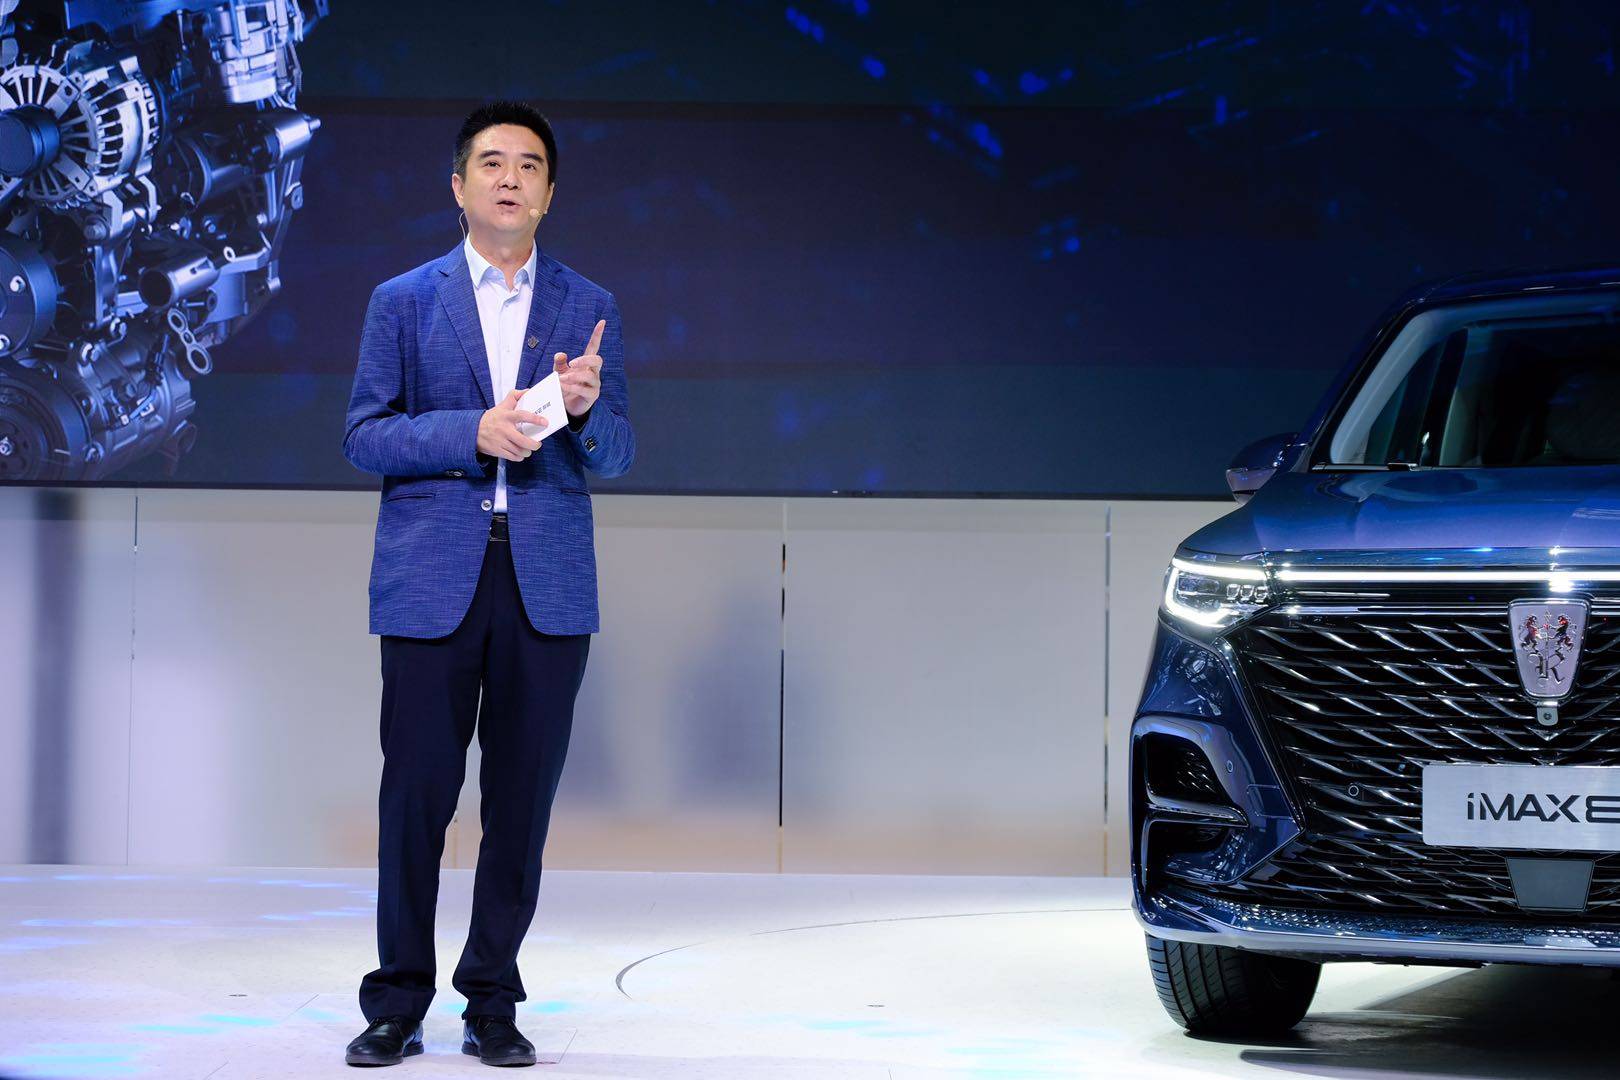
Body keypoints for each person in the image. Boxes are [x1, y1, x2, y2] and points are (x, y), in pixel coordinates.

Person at [339, 99, 633, 1067]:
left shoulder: (589, 305)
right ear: (458, 185)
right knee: (415, 797)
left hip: (546, 581)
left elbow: (620, 453)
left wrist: (584, 413)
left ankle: (492, 1001)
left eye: (530, 166)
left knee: (520, 804)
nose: (511, 179)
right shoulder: (403, 300)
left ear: (550, 194)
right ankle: (396, 1002)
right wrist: (471, 431)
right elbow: (364, 434)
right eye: (493, 163)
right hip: (432, 576)